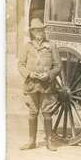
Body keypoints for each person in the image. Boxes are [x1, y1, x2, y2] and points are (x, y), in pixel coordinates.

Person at [18, 18, 62, 151]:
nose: (39, 32)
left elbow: (58, 66)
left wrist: (48, 75)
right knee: (32, 112)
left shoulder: (52, 46)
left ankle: (49, 141)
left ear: (44, 31)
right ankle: (32, 141)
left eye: (41, 30)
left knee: (47, 112)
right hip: (31, 84)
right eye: (36, 30)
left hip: (46, 85)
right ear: (32, 32)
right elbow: (20, 64)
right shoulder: (27, 46)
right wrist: (29, 74)